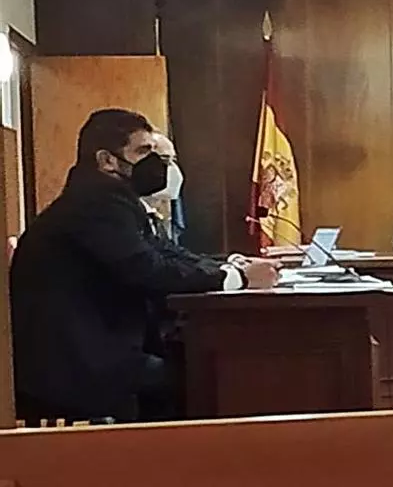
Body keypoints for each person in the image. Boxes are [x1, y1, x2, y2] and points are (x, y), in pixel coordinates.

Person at [9, 109, 280, 424]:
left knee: (202, 365)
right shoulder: (94, 203)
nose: (156, 165)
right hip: (74, 361)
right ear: (107, 161)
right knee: (208, 377)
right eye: (143, 152)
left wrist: (231, 265)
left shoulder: (109, 198)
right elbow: (147, 268)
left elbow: (165, 252)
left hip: (94, 345)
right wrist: (236, 279)